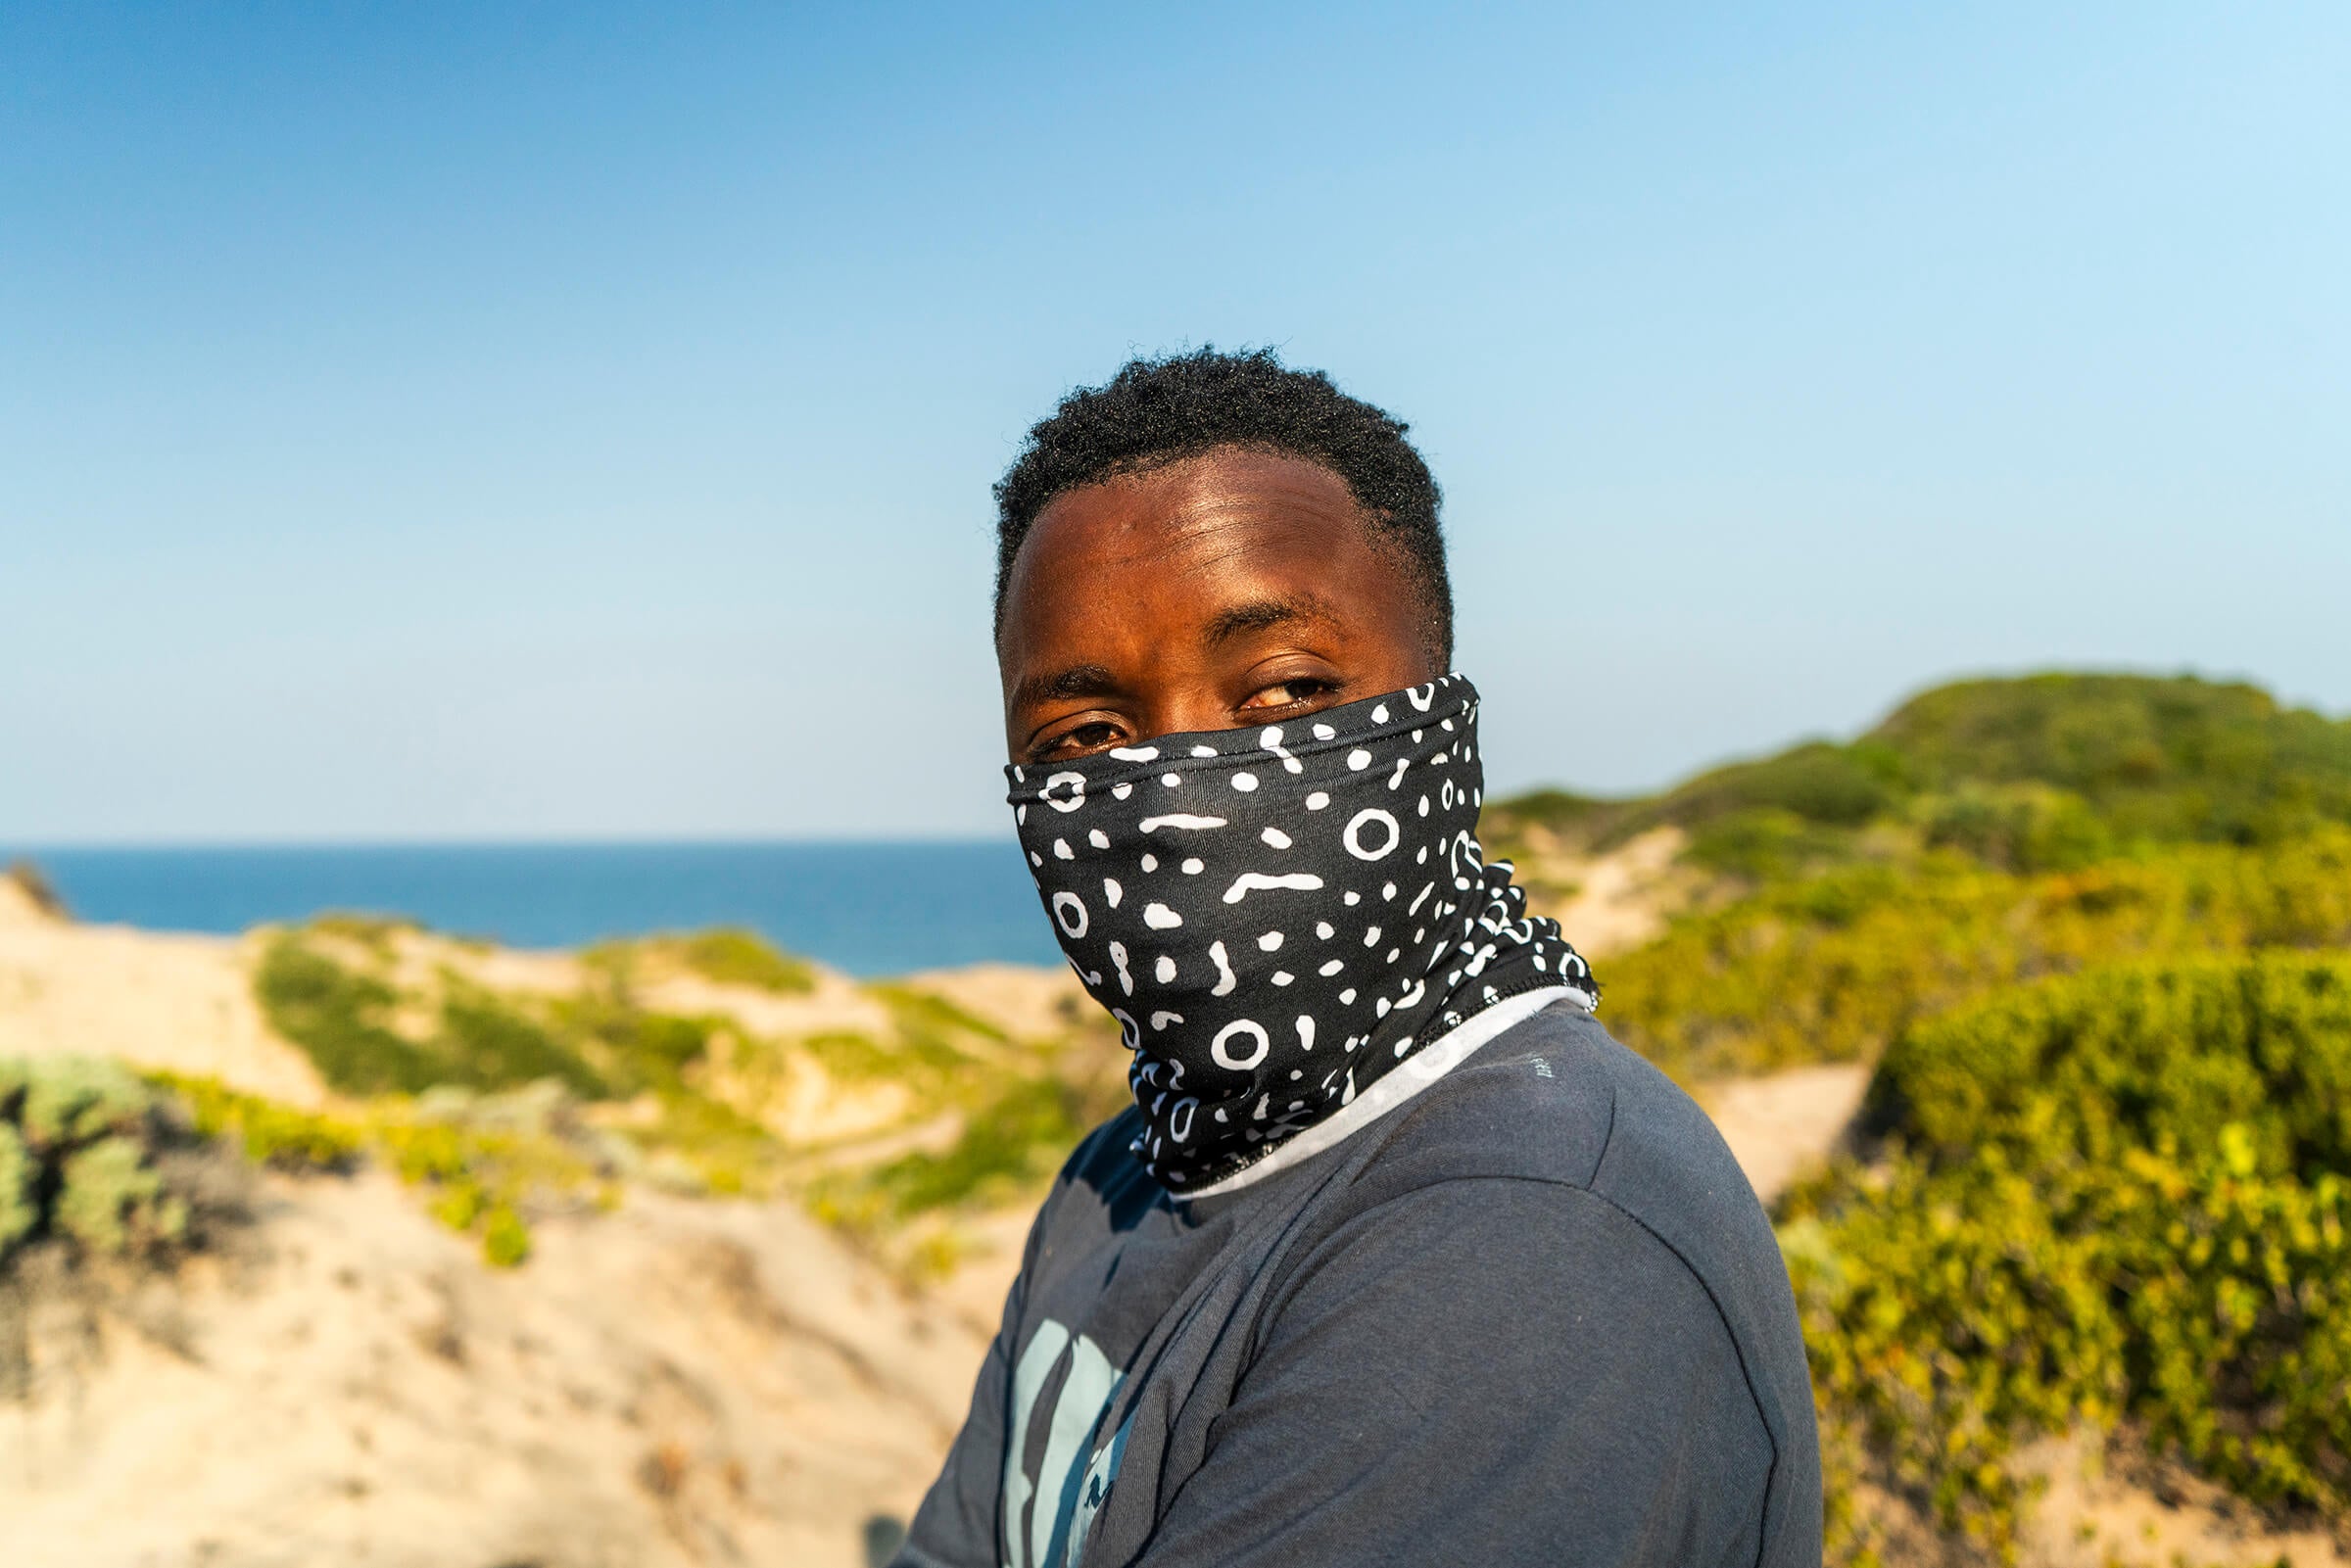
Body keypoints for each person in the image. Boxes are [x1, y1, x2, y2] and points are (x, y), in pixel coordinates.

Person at [893, 350, 1821, 1568]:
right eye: (1089, 732)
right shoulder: (1119, 1176)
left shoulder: (1526, 1234)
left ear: (1441, 717)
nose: (1173, 797)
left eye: (1282, 691)